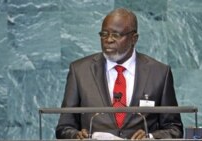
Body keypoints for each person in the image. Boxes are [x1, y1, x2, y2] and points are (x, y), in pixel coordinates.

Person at [55, 8, 183, 139]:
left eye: (116, 35)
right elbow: (64, 127)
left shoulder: (159, 73)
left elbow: (174, 129)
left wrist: (150, 137)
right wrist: (76, 136)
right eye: (104, 34)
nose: (108, 40)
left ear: (134, 38)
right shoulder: (80, 70)